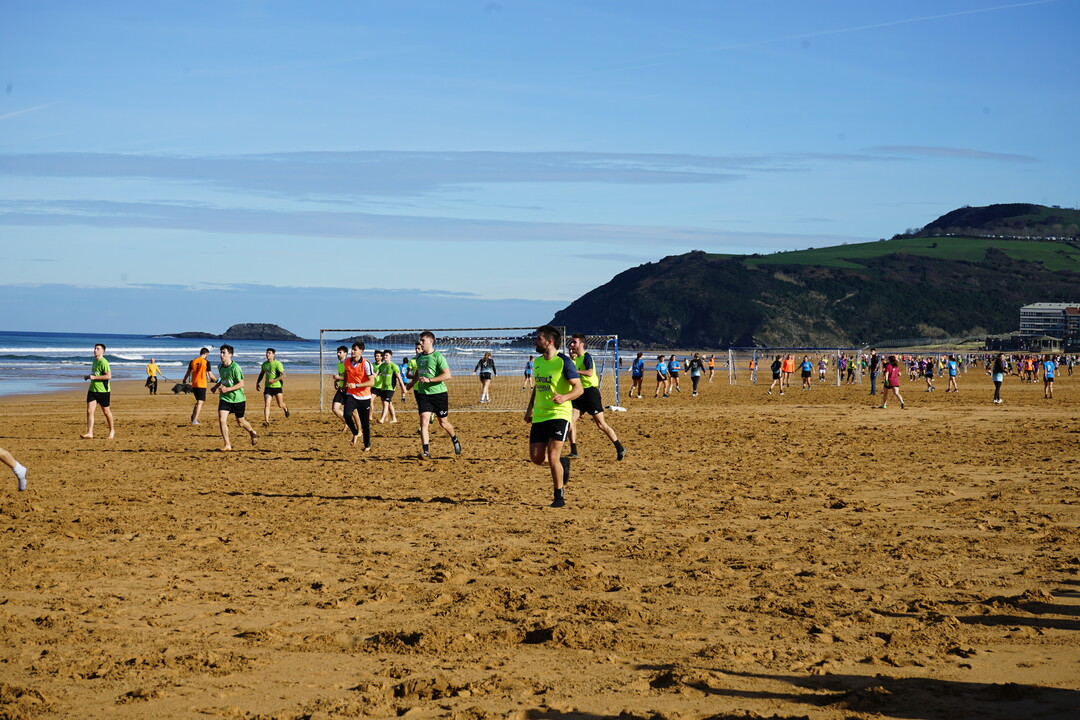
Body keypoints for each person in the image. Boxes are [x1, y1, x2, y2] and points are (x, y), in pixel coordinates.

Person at [525, 325, 583, 508]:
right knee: (536, 458)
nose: (535, 342)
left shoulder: (564, 362)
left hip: (559, 414)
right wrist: (529, 409)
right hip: (540, 415)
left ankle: (559, 496)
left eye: (539, 339)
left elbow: (579, 388)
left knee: (553, 455)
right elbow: (537, 388)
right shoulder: (537, 362)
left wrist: (564, 397)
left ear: (549, 342)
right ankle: (562, 463)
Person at [566, 333, 626, 461]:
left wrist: (574, 371)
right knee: (571, 420)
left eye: (574, 342)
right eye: (571, 342)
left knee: (601, 424)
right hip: (579, 392)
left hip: (590, 393)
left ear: (581, 344)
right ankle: (574, 451)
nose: (571, 344)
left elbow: (589, 373)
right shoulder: (575, 359)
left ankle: (620, 447)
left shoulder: (587, 356)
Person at [407, 331, 462, 458]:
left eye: (423, 340)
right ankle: (426, 452)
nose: (420, 343)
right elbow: (418, 372)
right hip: (423, 394)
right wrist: (412, 383)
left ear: (431, 341)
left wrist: (430, 380)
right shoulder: (419, 357)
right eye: (420, 340)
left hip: (439, 394)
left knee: (443, 423)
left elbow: (447, 375)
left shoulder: (438, 356)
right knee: (424, 422)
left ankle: (454, 439)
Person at [210, 344, 258, 451]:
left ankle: (252, 431)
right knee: (222, 420)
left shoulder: (235, 367)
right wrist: (216, 387)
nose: (221, 355)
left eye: (224, 353)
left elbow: (241, 384)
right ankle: (227, 444)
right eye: (221, 352)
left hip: (238, 399)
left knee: (241, 423)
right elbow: (224, 379)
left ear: (230, 355)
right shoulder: (220, 367)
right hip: (225, 398)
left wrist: (227, 389)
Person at [341, 341, 374, 449]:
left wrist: (356, 385)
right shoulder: (347, 362)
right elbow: (346, 373)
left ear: (361, 351)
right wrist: (344, 385)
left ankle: (367, 445)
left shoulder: (366, 363)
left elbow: (372, 382)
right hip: (351, 394)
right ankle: (355, 432)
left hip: (364, 397)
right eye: (352, 349)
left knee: (365, 424)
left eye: (355, 349)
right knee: (347, 415)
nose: (352, 351)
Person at [82, 343, 115, 439]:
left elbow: (108, 376)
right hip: (92, 389)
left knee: (106, 411)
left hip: (103, 391)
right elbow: (95, 374)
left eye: (97, 349)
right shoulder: (94, 361)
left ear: (103, 351)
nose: (95, 350)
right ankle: (90, 433)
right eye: (95, 348)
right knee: (89, 410)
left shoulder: (104, 362)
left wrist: (94, 377)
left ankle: (112, 430)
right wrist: (88, 376)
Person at [256, 348, 291, 426]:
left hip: (277, 387)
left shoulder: (277, 364)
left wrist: (274, 380)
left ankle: (285, 408)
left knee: (280, 405)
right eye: (267, 353)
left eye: (269, 353)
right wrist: (257, 383)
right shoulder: (264, 364)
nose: (267, 354)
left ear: (273, 354)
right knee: (267, 404)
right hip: (268, 387)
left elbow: (283, 375)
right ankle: (266, 421)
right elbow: (261, 374)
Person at [183, 348, 216, 425]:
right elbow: (210, 375)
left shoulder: (192, 361)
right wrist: (216, 380)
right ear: (206, 354)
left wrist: (184, 380)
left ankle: (193, 416)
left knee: (198, 401)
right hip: (202, 384)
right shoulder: (206, 362)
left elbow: (188, 372)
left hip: (194, 384)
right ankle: (195, 420)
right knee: (200, 402)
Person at [376, 349, 404, 424]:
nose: (385, 357)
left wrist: (403, 388)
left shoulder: (394, 366)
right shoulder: (382, 366)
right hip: (383, 387)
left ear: (390, 356)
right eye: (384, 355)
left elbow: (399, 378)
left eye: (386, 355)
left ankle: (382, 419)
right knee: (389, 403)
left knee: (386, 402)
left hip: (391, 388)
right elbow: (376, 374)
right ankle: (394, 418)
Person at [330, 345, 349, 430]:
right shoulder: (340, 364)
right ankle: (347, 422)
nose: (338, 354)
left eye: (340, 352)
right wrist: (336, 381)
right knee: (335, 408)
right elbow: (342, 376)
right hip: (341, 388)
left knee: (353, 411)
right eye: (337, 352)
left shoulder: (348, 364)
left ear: (345, 353)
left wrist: (339, 378)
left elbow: (350, 378)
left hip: (349, 389)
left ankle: (359, 428)